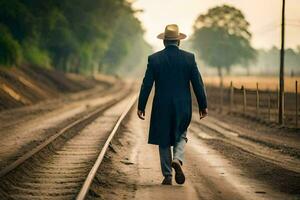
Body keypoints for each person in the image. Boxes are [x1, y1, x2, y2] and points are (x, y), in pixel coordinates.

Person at [137, 24, 208, 185]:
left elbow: (146, 84)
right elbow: (198, 84)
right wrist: (203, 105)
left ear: (164, 42)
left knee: (163, 139)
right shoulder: (189, 58)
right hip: (182, 105)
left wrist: (141, 106)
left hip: (161, 105)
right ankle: (177, 159)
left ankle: (168, 175)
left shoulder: (154, 59)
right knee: (181, 134)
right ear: (178, 41)